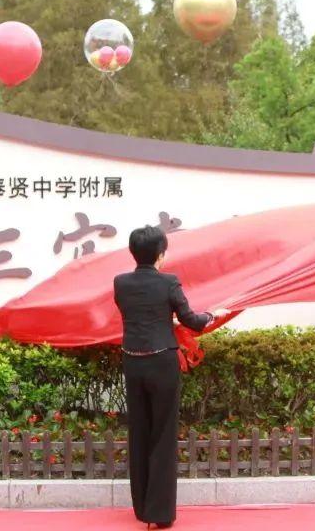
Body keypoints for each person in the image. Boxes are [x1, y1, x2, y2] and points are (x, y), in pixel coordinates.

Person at [114, 226, 228, 529]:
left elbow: (139, 314)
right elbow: (192, 321)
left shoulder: (120, 283)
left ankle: (142, 508)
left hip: (133, 362)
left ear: (133, 252)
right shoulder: (168, 282)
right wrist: (214, 315)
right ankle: (160, 514)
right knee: (163, 435)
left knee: (140, 432)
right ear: (161, 255)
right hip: (162, 362)